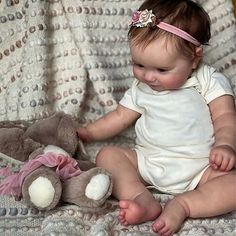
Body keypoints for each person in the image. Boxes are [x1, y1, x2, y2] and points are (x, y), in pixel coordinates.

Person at [77, 0, 236, 235]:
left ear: (194, 58)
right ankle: (141, 198)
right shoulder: (140, 89)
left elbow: (225, 116)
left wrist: (225, 145)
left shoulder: (207, 80)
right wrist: (88, 132)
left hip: (201, 169)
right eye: (139, 64)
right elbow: (120, 117)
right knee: (107, 155)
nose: (149, 77)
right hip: (147, 164)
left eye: (162, 70)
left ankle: (184, 204)